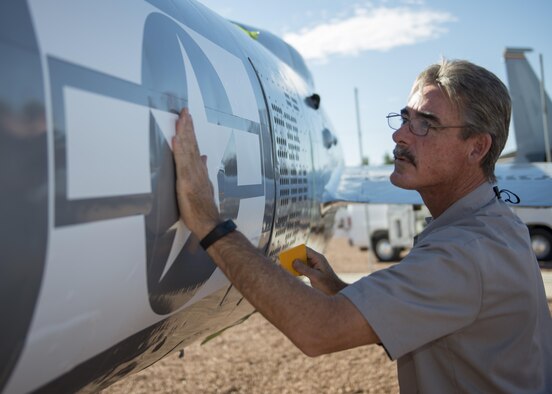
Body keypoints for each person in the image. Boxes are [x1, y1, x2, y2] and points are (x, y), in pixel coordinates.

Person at [172, 59, 552, 393]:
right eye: (405, 118)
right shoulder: (493, 226)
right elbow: (436, 314)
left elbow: (318, 331)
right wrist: (339, 290)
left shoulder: (466, 251)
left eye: (426, 125)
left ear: (477, 148)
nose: (399, 135)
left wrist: (208, 219)